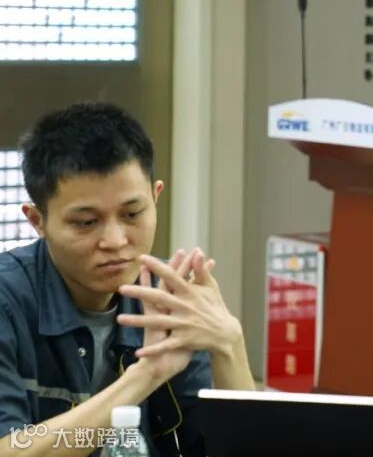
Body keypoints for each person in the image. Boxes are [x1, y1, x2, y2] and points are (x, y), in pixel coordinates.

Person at [0, 102, 255, 456]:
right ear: (37, 220)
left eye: (132, 214)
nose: (115, 241)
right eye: (86, 222)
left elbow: (229, 447)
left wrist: (229, 343)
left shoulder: (170, 299)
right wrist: (147, 375)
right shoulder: (8, 300)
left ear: (156, 196)